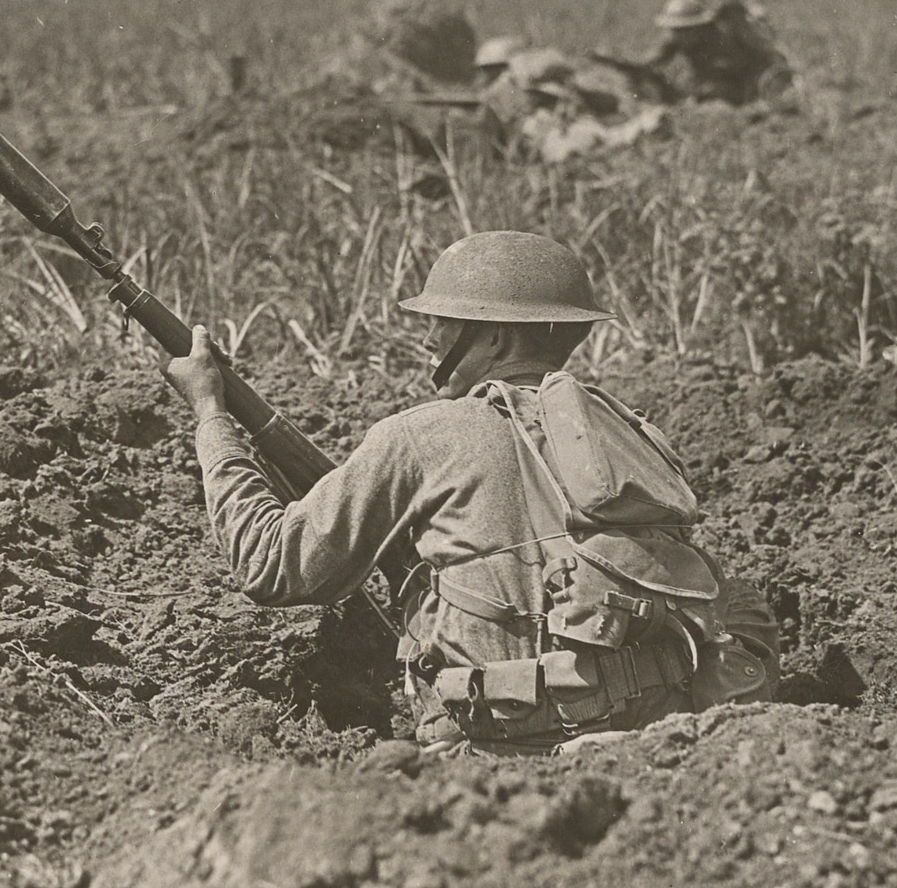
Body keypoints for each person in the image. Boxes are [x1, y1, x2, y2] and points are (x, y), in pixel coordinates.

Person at [164, 231, 777, 756]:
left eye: (444, 324)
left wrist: (211, 413)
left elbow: (273, 565)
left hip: (505, 758)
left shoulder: (422, 436)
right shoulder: (628, 431)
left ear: (495, 339)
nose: (429, 340)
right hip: (663, 737)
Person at [643, 0, 793, 106]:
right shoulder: (676, 38)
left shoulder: (727, 33)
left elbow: (770, 54)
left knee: (711, 92)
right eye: (675, 30)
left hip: (745, 79)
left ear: (698, 26)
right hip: (710, 79)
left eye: (685, 29)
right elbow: (651, 61)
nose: (679, 35)